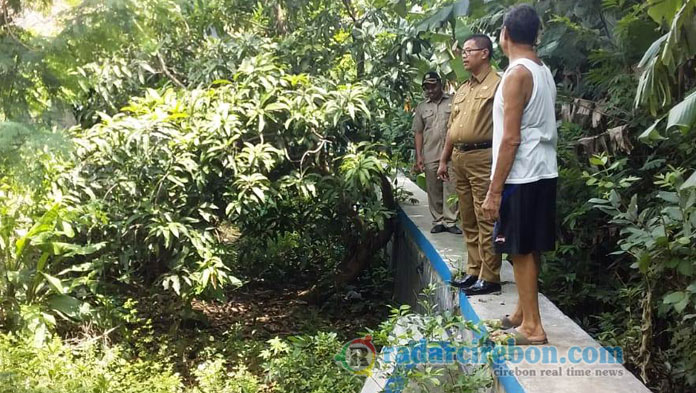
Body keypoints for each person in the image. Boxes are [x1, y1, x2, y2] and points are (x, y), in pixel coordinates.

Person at [482, 4, 558, 345]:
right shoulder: (542, 69)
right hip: (543, 170)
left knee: (519, 249)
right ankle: (521, 313)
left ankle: (533, 328)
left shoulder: (516, 75)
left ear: (505, 35)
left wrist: (494, 191)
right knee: (528, 245)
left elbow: (511, 138)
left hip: (521, 175)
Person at [440, 34, 502, 295]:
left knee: (485, 215)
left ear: (484, 53)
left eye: (469, 51)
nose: (464, 55)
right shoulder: (464, 89)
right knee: (467, 217)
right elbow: (452, 128)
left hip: (483, 157)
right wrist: (444, 158)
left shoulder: (499, 84)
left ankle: (490, 276)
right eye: (462, 51)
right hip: (460, 158)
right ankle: (474, 270)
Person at [413, 71, 462, 234]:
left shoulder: (452, 101)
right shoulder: (421, 107)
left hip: (451, 153)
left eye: (433, 86)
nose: (430, 90)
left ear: (440, 84)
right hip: (430, 153)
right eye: (427, 87)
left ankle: (450, 221)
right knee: (433, 188)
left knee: (451, 186)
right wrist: (419, 155)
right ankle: (438, 220)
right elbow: (418, 132)